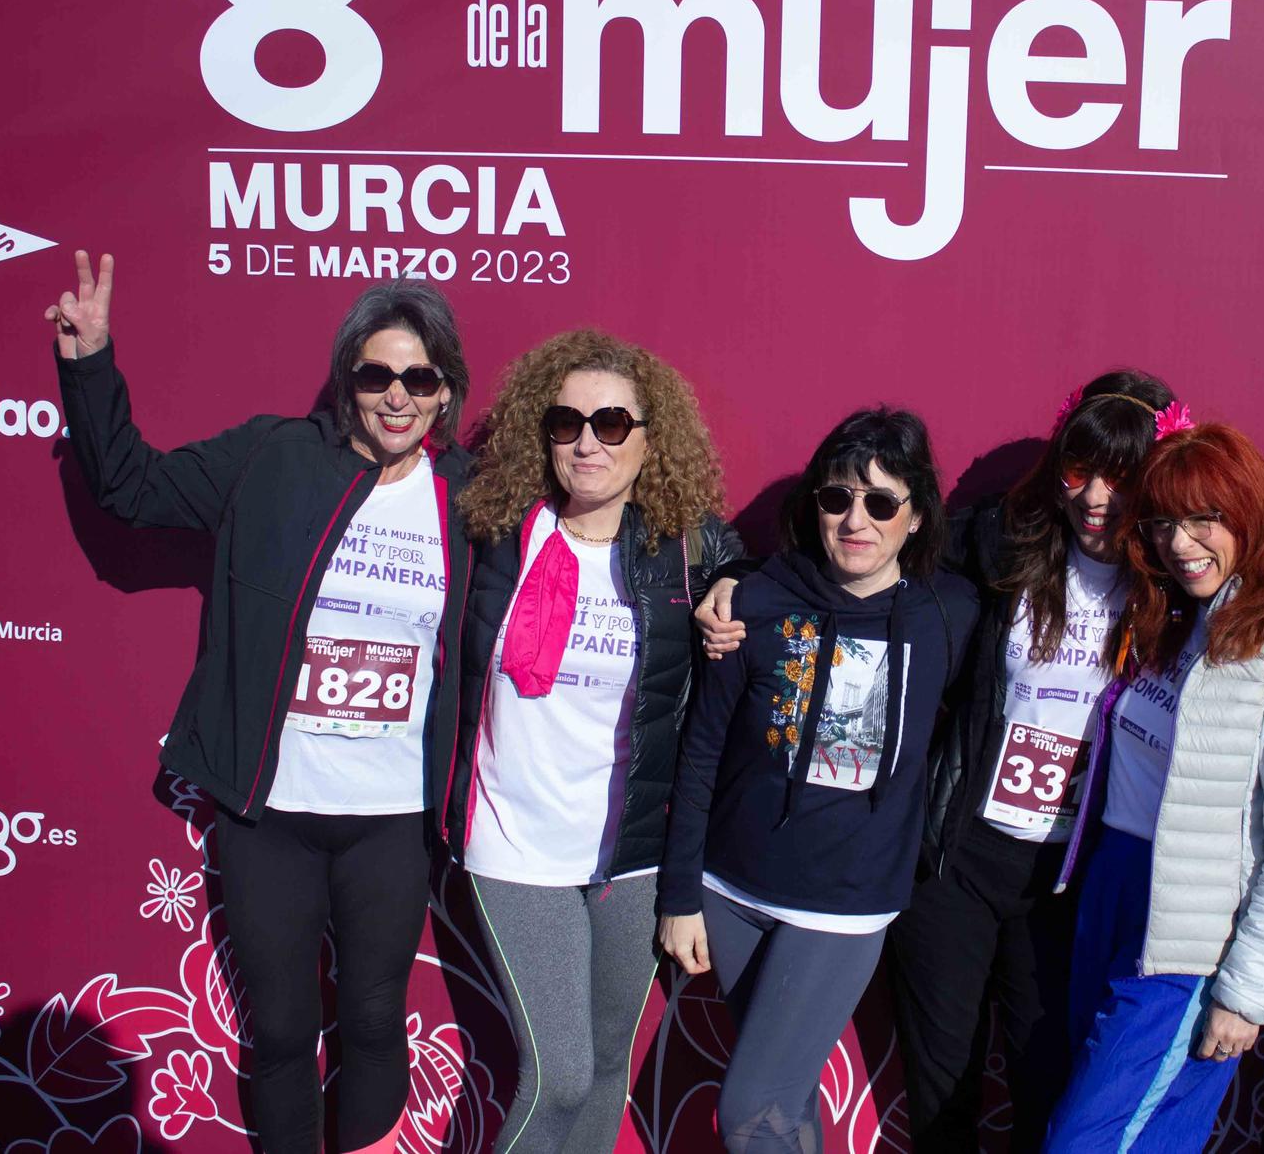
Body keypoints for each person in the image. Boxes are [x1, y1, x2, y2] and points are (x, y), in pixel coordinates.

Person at [46, 252, 474, 1154]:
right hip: (269, 811)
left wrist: (723, 585)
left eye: (419, 377)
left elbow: (593, 532)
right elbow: (131, 487)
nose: (396, 396)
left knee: (371, 1021)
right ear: (347, 377)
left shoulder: (471, 498)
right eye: (376, 374)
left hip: (389, 816)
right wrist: (89, 364)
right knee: (279, 1029)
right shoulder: (273, 457)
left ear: (445, 391)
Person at [445, 329, 742, 1154]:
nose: (587, 441)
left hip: (635, 853)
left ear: (650, 441)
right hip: (516, 845)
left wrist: (734, 582)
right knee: (561, 1073)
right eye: (566, 421)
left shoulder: (686, 552)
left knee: (610, 1061)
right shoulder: (496, 531)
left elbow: (758, 570)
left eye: (611, 423)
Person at [658, 409, 978, 1154]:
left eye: (880, 502)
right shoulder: (755, 601)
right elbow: (701, 749)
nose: (855, 519)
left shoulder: (949, 613)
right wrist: (681, 893)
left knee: (750, 1111)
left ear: (916, 515)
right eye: (837, 498)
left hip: (843, 904)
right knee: (786, 1101)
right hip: (731, 892)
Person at [1043, 423, 1264, 1153]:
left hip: (1190, 935)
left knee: (1086, 1143)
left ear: (1247, 512)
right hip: (1114, 894)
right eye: (1164, 523)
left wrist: (1246, 993)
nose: (1182, 544)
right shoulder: (1174, 615)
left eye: (1204, 518)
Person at [888, 371, 1172, 1153]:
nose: (1094, 497)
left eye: (1122, 476)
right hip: (959, 860)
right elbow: (864, 553)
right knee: (942, 1093)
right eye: (1079, 471)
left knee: (1048, 1094)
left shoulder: (1178, 593)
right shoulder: (998, 546)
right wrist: (735, 580)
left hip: (1069, 882)